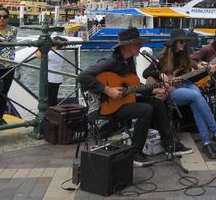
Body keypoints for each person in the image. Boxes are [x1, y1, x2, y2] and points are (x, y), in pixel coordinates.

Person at [77, 27, 192, 167]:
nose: (141, 46)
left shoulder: (130, 61)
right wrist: (107, 90)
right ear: (127, 46)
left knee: (157, 103)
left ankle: (170, 145)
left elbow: (134, 86)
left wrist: (153, 91)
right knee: (145, 109)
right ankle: (135, 153)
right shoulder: (110, 61)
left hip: (124, 101)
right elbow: (82, 77)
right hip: (107, 105)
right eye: (138, 44)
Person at [143, 29, 216, 160]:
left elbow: (192, 76)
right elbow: (146, 73)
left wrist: (206, 70)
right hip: (172, 90)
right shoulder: (162, 57)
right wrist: (160, 74)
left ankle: (206, 143)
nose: (184, 44)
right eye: (181, 41)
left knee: (196, 99)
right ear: (174, 43)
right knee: (196, 96)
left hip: (186, 84)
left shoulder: (185, 56)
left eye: (184, 42)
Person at [35, 36, 67, 106]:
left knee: (48, 100)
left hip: (51, 79)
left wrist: (39, 46)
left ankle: (48, 114)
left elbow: (38, 55)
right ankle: (53, 113)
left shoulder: (51, 54)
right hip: (57, 79)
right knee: (53, 98)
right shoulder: (60, 51)